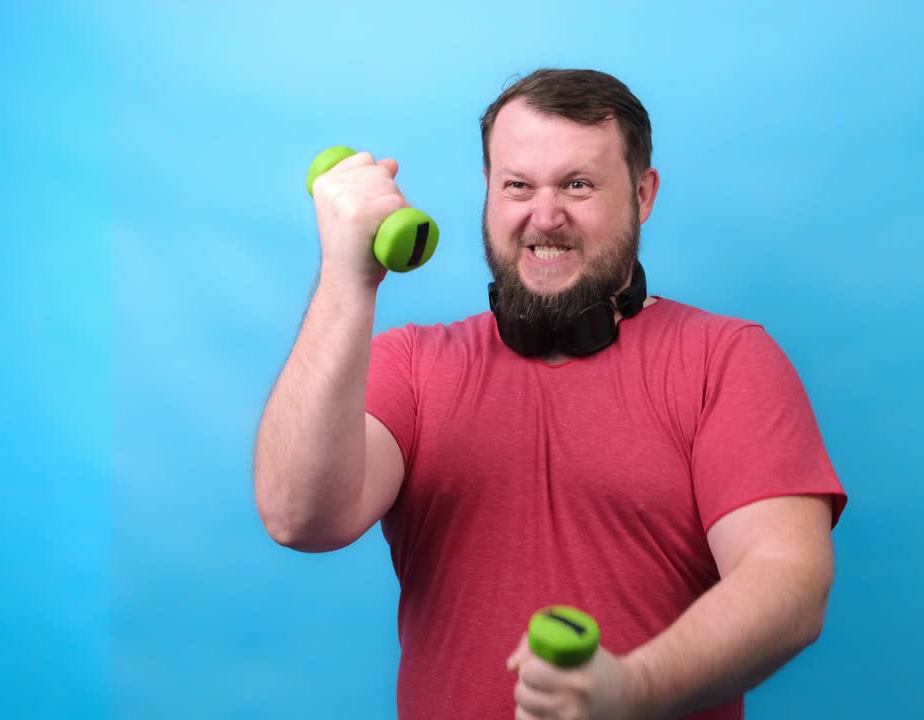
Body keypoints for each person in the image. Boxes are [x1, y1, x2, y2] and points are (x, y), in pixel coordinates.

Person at [254, 68, 848, 720]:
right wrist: (348, 277)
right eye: (518, 185)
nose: (545, 215)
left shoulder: (727, 359)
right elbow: (299, 516)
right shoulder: (414, 366)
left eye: (578, 184)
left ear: (643, 195)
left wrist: (633, 689)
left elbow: (788, 580)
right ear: (488, 193)